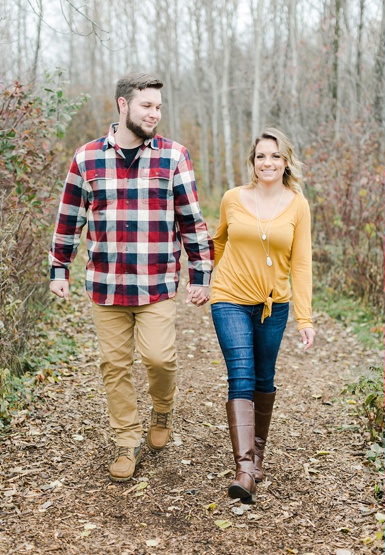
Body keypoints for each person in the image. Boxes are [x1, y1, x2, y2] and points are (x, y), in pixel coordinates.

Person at [49, 72, 213, 482]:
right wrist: (59, 267)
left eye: (158, 107)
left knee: (160, 358)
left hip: (156, 282)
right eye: (147, 106)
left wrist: (201, 273)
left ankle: (162, 408)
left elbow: (191, 220)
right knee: (114, 365)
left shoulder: (173, 156)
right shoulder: (86, 157)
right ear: (123, 105)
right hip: (105, 284)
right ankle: (126, 440)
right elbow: (70, 218)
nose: (154, 113)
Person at [210, 128, 314, 504]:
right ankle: (244, 470)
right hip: (229, 298)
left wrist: (305, 318)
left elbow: (301, 264)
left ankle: (257, 454)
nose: (267, 163)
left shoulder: (297, 204)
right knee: (241, 372)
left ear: (286, 162)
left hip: (275, 304)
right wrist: (206, 278)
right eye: (260, 157)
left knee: (264, 378)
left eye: (274, 156)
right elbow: (219, 239)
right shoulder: (233, 198)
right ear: (252, 162)